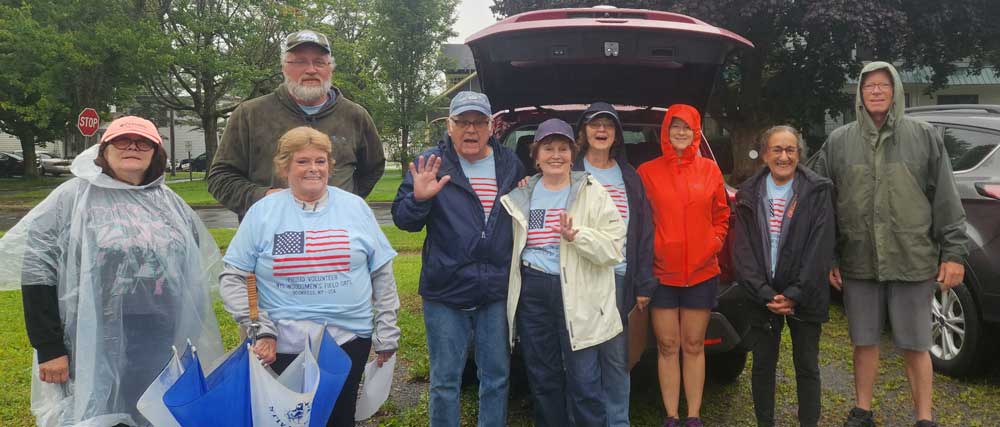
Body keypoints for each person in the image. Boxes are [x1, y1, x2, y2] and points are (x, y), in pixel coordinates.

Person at [0, 116, 224, 426]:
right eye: (122, 140)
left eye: (143, 142)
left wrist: (190, 335)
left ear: (156, 153)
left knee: (152, 411)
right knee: (97, 412)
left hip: (157, 339)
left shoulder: (170, 203)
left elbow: (191, 277)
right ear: (104, 150)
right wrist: (49, 347)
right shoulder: (71, 199)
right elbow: (38, 273)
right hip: (87, 337)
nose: (133, 147)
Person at [808, 62, 968, 427]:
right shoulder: (840, 141)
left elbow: (945, 198)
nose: (876, 91)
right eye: (869, 86)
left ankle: (924, 417)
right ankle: (862, 410)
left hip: (911, 258)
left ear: (895, 90)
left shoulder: (923, 136)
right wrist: (831, 254)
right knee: (863, 341)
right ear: (860, 95)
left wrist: (954, 252)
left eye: (883, 85)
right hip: (858, 259)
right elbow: (822, 200)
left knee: (915, 344)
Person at [219, 126, 400, 427]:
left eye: (320, 161)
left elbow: (381, 272)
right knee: (289, 420)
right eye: (302, 161)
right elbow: (233, 277)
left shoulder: (355, 207)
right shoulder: (263, 212)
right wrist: (261, 329)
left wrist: (387, 331)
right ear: (285, 166)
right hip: (283, 343)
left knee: (340, 417)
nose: (313, 169)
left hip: (348, 338)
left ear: (330, 165)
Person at [391, 91, 524, 426]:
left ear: (491, 126)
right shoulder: (432, 162)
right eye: (462, 121)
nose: (471, 129)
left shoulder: (509, 163)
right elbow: (405, 220)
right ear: (449, 126)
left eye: (479, 122)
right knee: (445, 381)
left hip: (495, 289)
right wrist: (419, 199)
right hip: (445, 289)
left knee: (495, 377)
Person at [501, 118, 626, 427]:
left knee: (584, 380)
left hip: (579, 292)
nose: (555, 155)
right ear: (536, 156)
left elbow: (613, 249)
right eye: (547, 148)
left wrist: (577, 236)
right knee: (543, 377)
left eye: (562, 149)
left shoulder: (592, 192)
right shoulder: (522, 195)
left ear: (573, 153)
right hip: (533, 291)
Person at [209, 29, 385, 219]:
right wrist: (266, 198)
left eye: (319, 62)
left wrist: (343, 200)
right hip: (270, 235)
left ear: (330, 68)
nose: (311, 69)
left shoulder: (355, 116)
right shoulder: (249, 115)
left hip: (337, 235)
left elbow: (373, 169)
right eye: (300, 61)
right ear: (284, 67)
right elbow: (220, 178)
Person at [732, 126, 835, 427]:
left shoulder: (818, 190)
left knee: (807, 366)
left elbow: (821, 245)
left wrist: (794, 293)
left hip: (805, 294)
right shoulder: (748, 193)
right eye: (776, 150)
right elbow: (743, 251)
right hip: (762, 296)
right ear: (764, 155)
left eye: (790, 150)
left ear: (799, 154)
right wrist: (765, 293)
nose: (784, 156)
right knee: (763, 365)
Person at [637, 104, 730, 427]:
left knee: (692, 345)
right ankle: (671, 416)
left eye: (687, 127)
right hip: (662, 273)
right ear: (664, 130)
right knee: (667, 345)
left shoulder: (710, 171)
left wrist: (713, 243)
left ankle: (693, 415)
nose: (680, 132)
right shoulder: (647, 172)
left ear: (696, 132)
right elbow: (640, 221)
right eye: (674, 126)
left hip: (702, 272)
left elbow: (722, 214)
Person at [574, 102, 656, 426]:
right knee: (583, 362)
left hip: (619, 278)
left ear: (617, 135)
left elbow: (644, 232)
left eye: (609, 125)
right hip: (581, 279)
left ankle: (618, 421)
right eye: (595, 124)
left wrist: (643, 283)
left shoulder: (629, 177)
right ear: (584, 132)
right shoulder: (570, 171)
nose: (602, 130)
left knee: (617, 359)